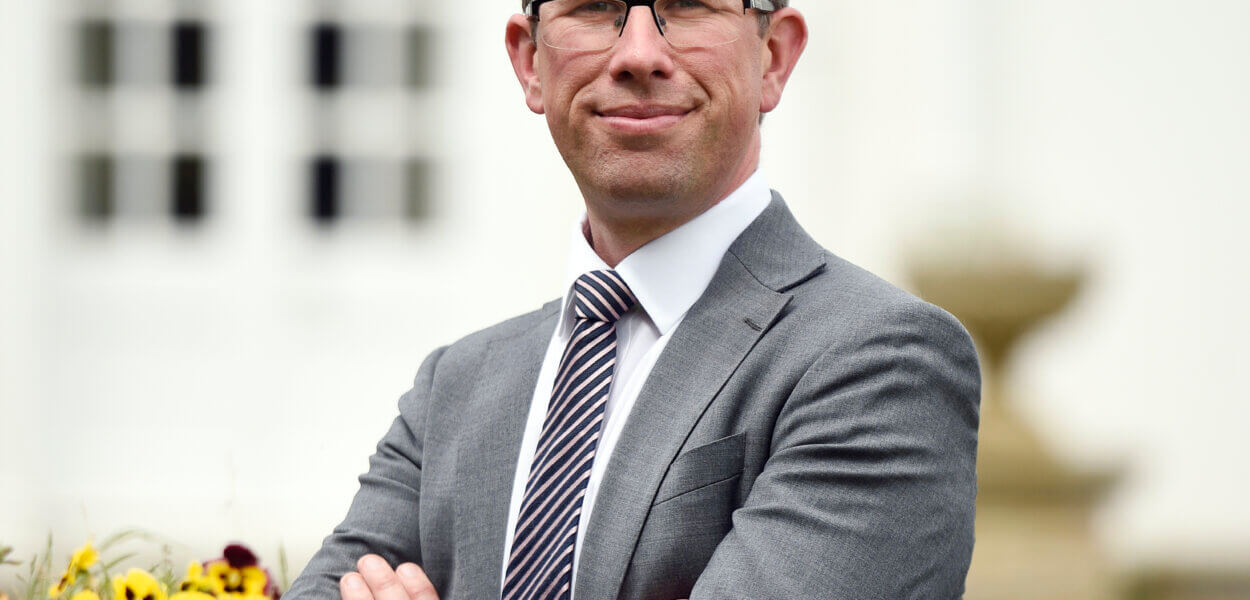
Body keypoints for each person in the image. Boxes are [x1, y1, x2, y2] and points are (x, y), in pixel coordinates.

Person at [285, 0, 981, 598]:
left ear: (773, 56)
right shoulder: (458, 385)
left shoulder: (880, 362)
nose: (639, 54)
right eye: (591, 6)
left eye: (686, 5)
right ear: (529, 61)